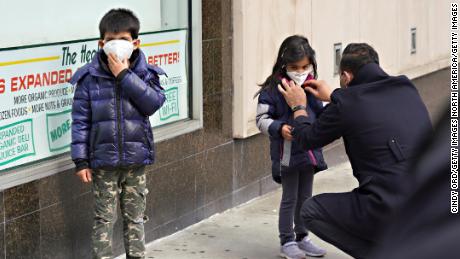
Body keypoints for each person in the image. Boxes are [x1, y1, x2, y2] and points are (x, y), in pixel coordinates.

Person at [277, 43, 432, 258]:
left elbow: (306, 139)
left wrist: (298, 107)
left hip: (388, 207)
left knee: (310, 211)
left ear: (346, 77)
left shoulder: (347, 104)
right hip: (432, 202)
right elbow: (366, 106)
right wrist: (335, 96)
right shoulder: (406, 88)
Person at [70, 8, 166, 259]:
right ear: (102, 43)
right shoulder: (89, 78)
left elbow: (153, 103)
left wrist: (124, 75)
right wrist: (81, 160)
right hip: (103, 163)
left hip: (135, 160)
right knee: (103, 219)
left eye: (124, 40)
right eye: (111, 41)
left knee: (135, 218)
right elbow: (80, 121)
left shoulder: (145, 73)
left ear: (135, 43)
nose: (117, 46)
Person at [255, 35, 327, 259]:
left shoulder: (312, 84)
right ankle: (286, 240)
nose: (300, 71)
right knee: (290, 197)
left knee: (306, 196)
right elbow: (261, 119)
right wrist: (279, 128)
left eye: (305, 66)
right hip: (286, 153)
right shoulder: (271, 89)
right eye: (295, 67)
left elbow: (322, 114)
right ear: (284, 64)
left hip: (309, 152)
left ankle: (302, 236)